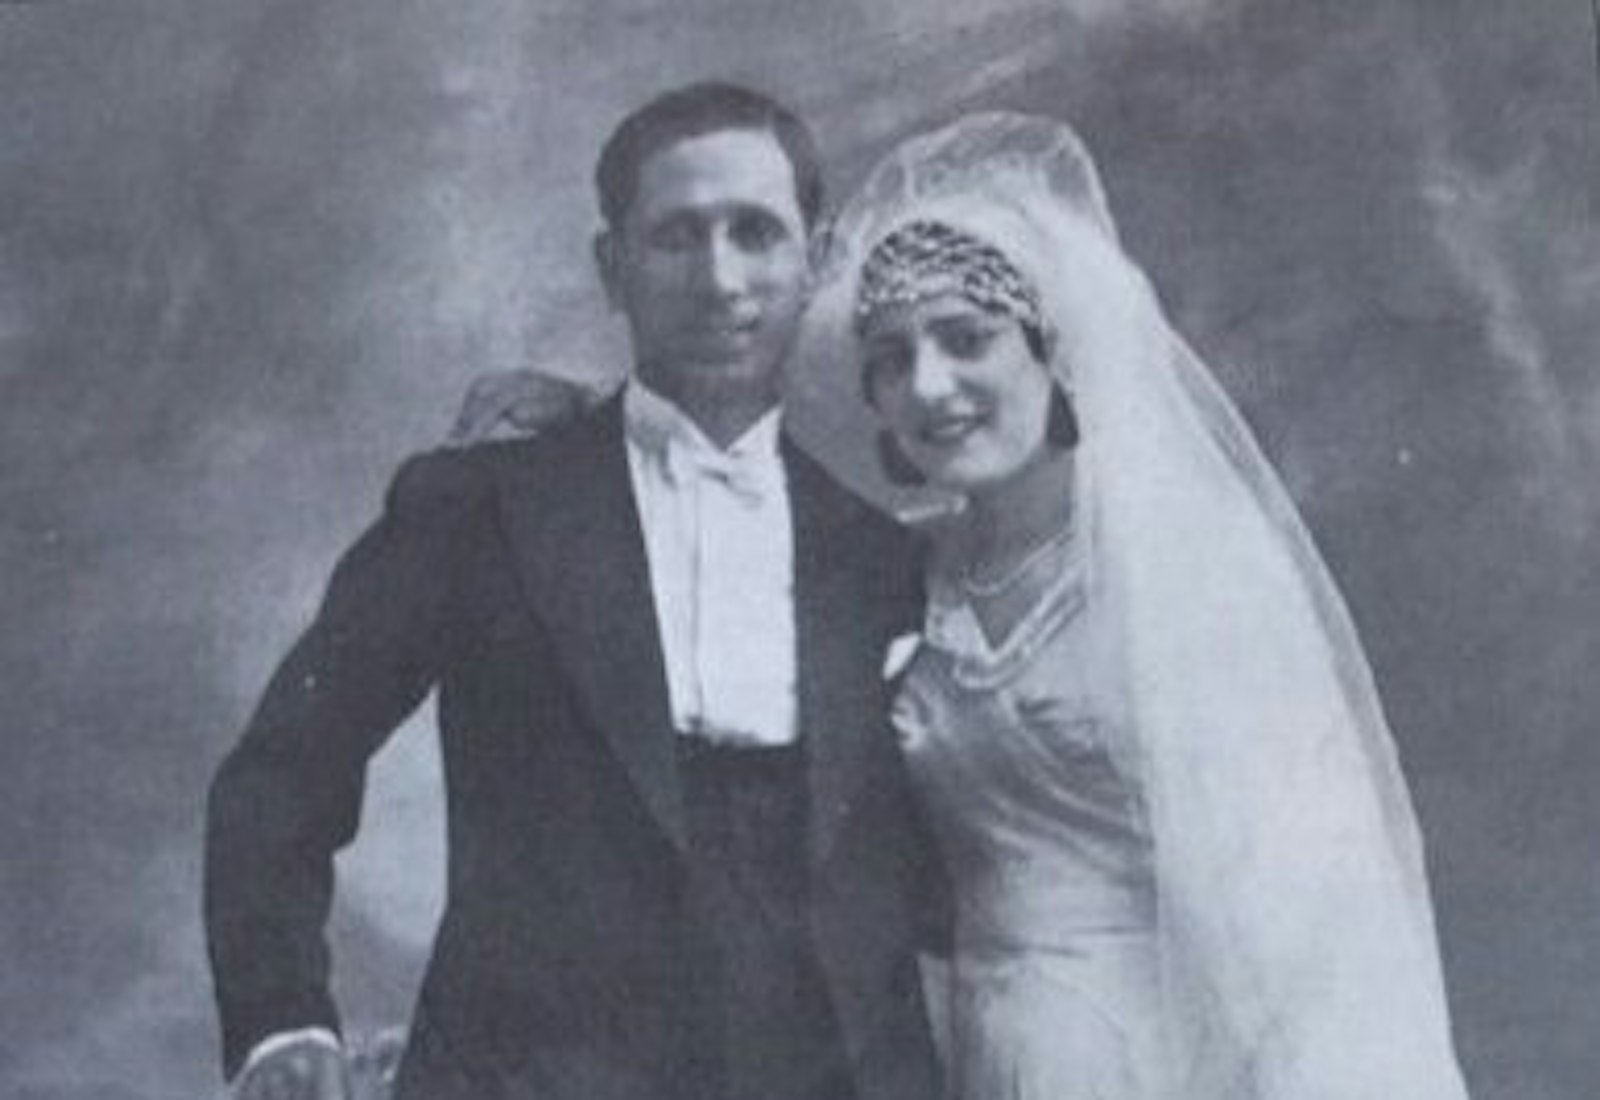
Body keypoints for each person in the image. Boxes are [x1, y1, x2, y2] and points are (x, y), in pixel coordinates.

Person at [204, 82, 945, 1100]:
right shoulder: (481, 504)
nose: (721, 276)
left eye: (755, 233)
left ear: (813, 262)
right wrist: (280, 1016)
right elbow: (281, 773)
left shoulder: (878, 560)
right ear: (613, 267)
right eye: (677, 236)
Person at [796, 112, 1472, 1099]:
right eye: (892, 358)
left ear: (1050, 349)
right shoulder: (914, 570)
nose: (927, 385)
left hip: (1164, 1057)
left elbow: (1304, 913)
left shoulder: (1178, 567)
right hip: (980, 1049)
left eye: (964, 338)